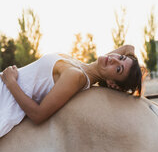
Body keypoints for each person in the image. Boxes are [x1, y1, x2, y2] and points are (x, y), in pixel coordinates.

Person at [0, 45, 142, 138]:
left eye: (118, 69)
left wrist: (11, 82)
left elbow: (37, 115)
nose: (114, 60)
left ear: (111, 83)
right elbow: (128, 47)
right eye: (120, 58)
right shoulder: (84, 66)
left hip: (5, 97)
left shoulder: (76, 76)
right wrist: (132, 66)